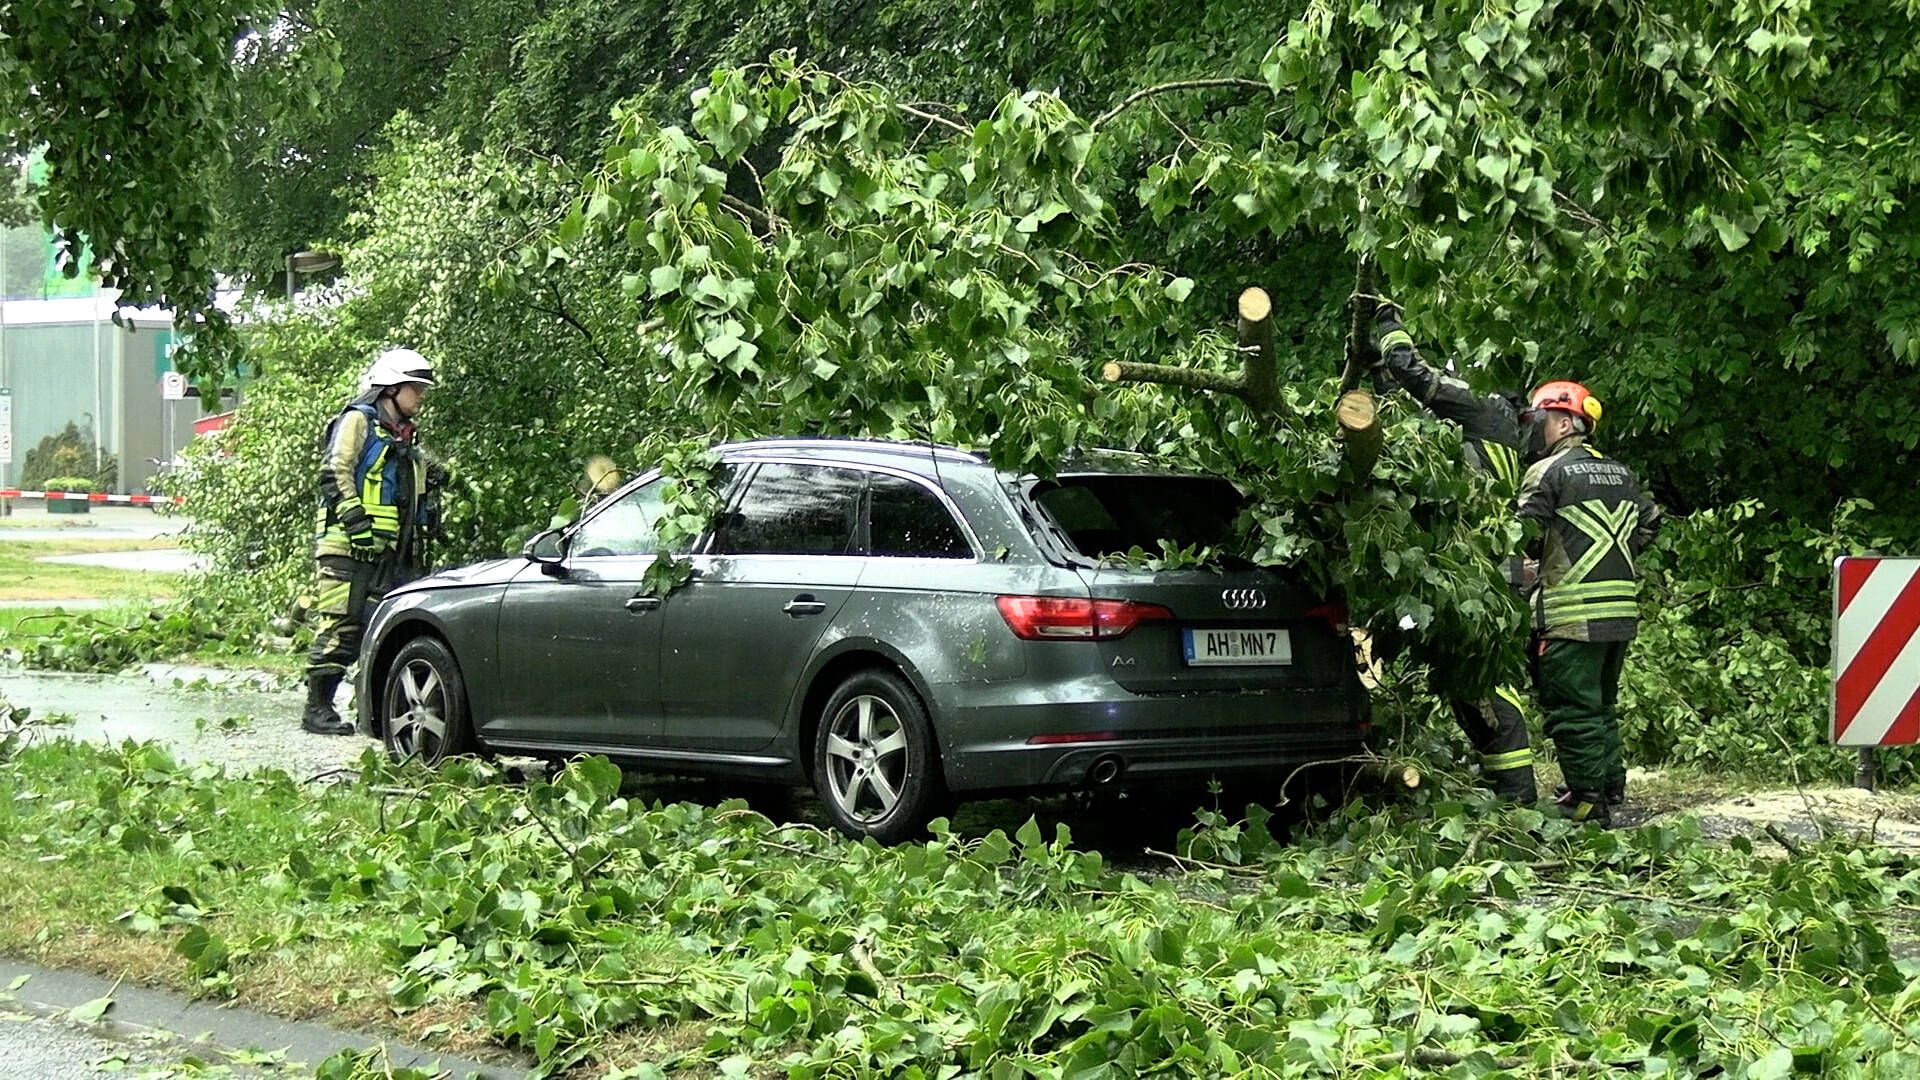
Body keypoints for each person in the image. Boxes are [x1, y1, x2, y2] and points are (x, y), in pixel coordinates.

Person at [1370, 302, 1538, 803]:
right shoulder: (1491, 423)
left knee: (1484, 683)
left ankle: (1517, 797)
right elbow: (1408, 420)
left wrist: (1387, 325)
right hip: (1476, 568)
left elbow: (1413, 374)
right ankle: (1506, 790)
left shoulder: (1483, 408)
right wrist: (1374, 368)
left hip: (1481, 573)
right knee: (1465, 685)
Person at [1516, 380, 1661, 825]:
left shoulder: (1547, 473)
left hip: (1570, 614)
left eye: (1537, 421)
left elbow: (1520, 539)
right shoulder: (1622, 472)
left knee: (1572, 712)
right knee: (1601, 706)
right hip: (1619, 611)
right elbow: (1651, 521)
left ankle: (1587, 800)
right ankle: (1609, 784)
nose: (1532, 430)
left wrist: (1514, 586)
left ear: (1562, 422)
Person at [300, 347, 437, 735]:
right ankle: (317, 709)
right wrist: (355, 521)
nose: (420, 397)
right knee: (341, 625)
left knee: (379, 628)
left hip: (386, 550)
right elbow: (334, 471)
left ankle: (370, 711)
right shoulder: (357, 421)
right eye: (415, 389)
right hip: (346, 547)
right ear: (391, 388)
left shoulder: (401, 436)